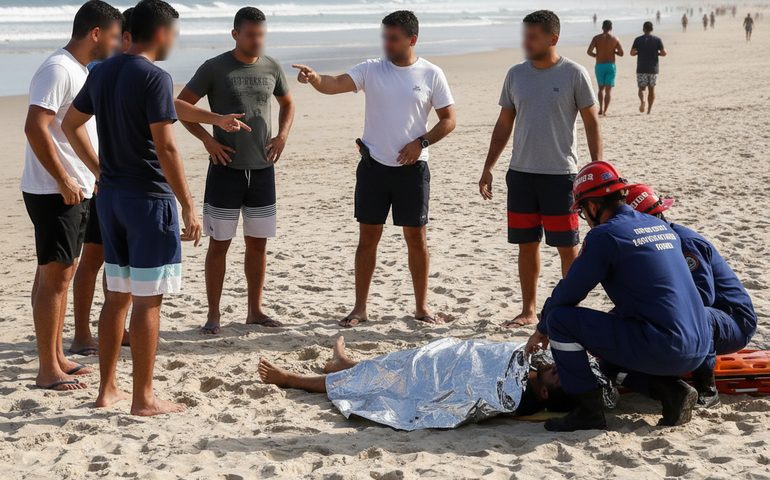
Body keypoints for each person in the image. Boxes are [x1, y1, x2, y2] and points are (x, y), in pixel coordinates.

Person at [63, 0, 203, 416]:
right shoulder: (156, 76)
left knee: (117, 297)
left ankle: (108, 390)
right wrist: (189, 205)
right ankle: (143, 398)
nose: (174, 41)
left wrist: (99, 168)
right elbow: (167, 146)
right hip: (148, 200)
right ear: (160, 34)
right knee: (148, 301)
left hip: (111, 199)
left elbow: (71, 124)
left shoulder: (101, 70)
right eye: (173, 34)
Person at [292, 11, 456, 327]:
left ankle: (421, 307)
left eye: (393, 38)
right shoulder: (371, 69)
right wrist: (314, 78)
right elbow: (334, 83)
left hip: (413, 169)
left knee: (416, 239)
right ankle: (360, 308)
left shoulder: (431, 73)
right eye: (384, 37)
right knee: (368, 238)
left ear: (412, 40)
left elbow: (448, 120)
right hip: (373, 169)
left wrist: (421, 142)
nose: (387, 43)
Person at [524, 161, 711, 431]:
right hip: (702, 347)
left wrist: (541, 329)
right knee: (608, 357)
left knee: (561, 320)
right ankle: (673, 392)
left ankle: (587, 413)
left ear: (591, 206)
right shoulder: (657, 224)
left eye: (583, 212)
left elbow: (570, 292)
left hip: (666, 347)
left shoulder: (605, 235)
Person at [21, 0, 123, 391]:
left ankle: (57, 356)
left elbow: (70, 130)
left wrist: (93, 172)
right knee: (55, 280)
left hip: (72, 188)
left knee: (56, 275)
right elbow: (35, 127)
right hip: (54, 190)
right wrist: (64, 178)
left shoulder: (78, 70)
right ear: (96, 34)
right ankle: (47, 369)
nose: (116, 45)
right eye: (113, 37)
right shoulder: (58, 68)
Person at [478, 10, 602, 329]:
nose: (526, 42)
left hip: (561, 176)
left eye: (533, 36)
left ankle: (570, 311)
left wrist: (597, 167)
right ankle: (529, 310)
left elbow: (591, 122)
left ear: (552, 39)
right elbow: (503, 125)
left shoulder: (574, 73)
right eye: (525, 35)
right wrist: (488, 167)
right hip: (520, 175)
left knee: (567, 248)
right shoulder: (516, 74)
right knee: (527, 244)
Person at [175, 7, 295, 335]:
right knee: (220, 245)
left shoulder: (272, 67)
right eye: (251, 34)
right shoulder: (215, 68)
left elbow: (287, 102)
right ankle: (213, 315)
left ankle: (254, 311)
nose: (257, 40)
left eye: (261, 34)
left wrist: (282, 136)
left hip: (262, 171)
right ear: (235, 34)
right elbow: (179, 106)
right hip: (225, 169)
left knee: (258, 245)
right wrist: (206, 140)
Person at [624, 184, 757, 408]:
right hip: (709, 318)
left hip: (734, 321)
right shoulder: (655, 244)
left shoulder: (685, 243)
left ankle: (707, 389)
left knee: (693, 315)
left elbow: (702, 298)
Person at [258, 337, 578, 429]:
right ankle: (345, 364)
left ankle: (292, 380)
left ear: (547, 391)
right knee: (392, 364)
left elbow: (480, 392)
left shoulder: (521, 396)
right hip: (451, 356)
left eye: (557, 375)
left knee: (377, 382)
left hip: (441, 379)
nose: (556, 368)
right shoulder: (534, 367)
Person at [70, 5, 134, 357]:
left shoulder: (136, 68)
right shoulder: (97, 69)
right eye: (119, 36)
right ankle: (81, 333)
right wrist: (95, 170)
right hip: (99, 177)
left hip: (116, 179)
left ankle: (116, 327)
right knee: (93, 258)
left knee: (115, 259)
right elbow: (73, 124)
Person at [587, 20, 624, 116]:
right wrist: (613, 51)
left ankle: (600, 109)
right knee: (608, 90)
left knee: (600, 89)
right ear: (611, 28)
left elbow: (589, 51)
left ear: (602, 28)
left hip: (599, 65)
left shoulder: (596, 38)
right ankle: (606, 110)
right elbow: (621, 53)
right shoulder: (615, 39)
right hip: (610, 65)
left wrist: (596, 55)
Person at [631, 22, 667, 115]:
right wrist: (657, 53)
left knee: (642, 88)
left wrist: (639, 53)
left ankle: (643, 101)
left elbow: (632, 53)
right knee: (651, 89)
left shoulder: (638, 40)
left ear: (643, 29)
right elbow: (664, 53)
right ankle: (649, 110)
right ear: (652, 29)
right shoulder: (657, 40)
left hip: (641, 68)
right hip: (653, 68)